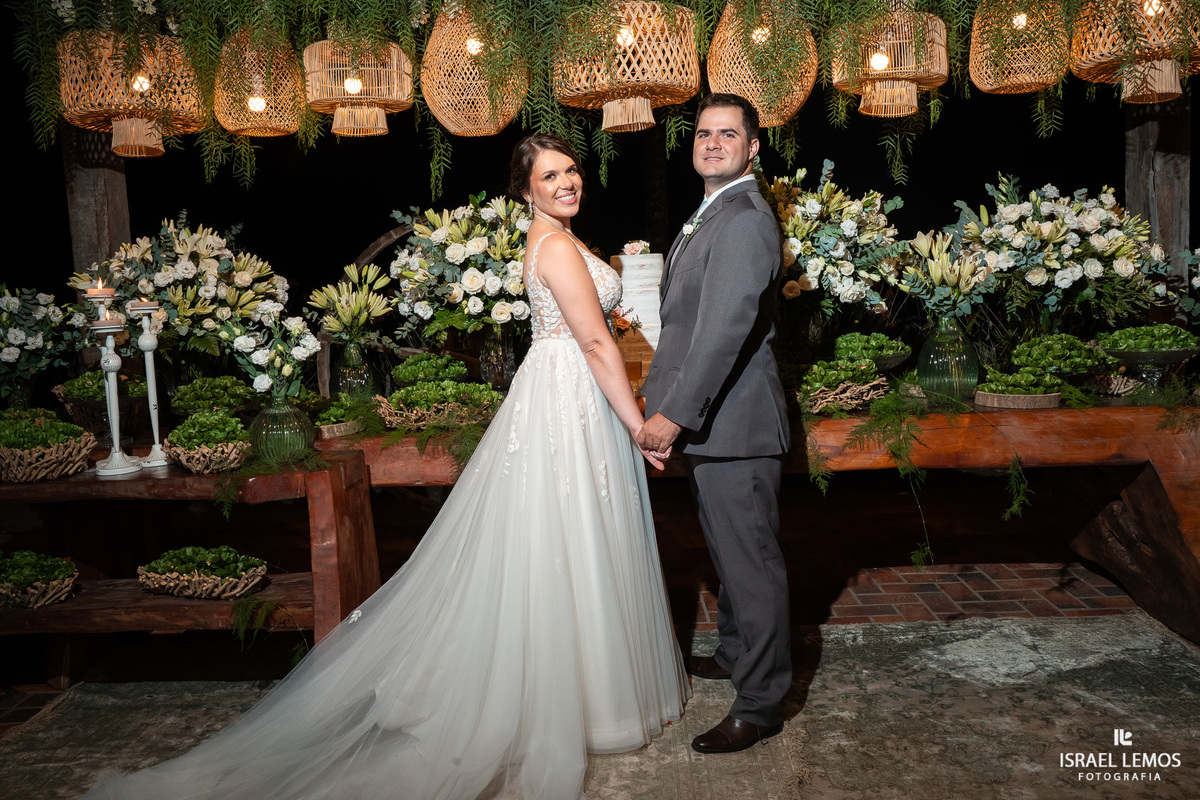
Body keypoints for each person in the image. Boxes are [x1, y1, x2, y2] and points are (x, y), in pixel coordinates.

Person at [81, 133, 689, 800]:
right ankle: (589, 704)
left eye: (571, 170)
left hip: (566, 392)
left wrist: (620, 305)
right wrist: (638, 424)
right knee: (570, 537)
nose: (567, 182)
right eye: (551, 176)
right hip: (571, 398)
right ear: (525, 191)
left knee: (570, 540)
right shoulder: (555, 245)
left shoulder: (557, 243)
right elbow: (595, 340)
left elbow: (597, 319)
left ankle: (589, 694)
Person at [637, 93, 791, 754]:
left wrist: (673, 413)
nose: (713, 142)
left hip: (735, 425)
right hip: (718, 428)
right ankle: (735, 656)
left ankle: (760, 704)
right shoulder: (712, 213)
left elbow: (723, 332)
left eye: (728, 134)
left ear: (754, 147)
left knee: (750, 564)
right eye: (704, 133)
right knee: (730, 558)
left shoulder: (746, 218)